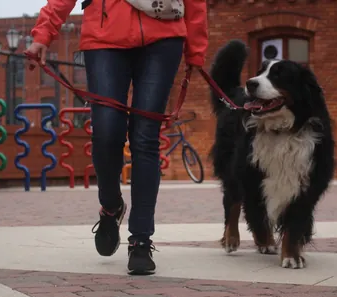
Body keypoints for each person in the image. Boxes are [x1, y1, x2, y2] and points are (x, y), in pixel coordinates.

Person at [27, 0, 208, 274]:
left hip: (164, 34)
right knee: (106, 133)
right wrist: (43, 33)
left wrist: (196, 49)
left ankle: (141, 240)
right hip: (104, 35)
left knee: (145, 138)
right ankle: (111, 206)